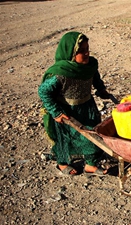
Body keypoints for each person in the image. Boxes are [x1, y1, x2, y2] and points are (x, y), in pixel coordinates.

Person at [38, 31, 111, 176]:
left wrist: (101, 89)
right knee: (65, 138)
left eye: (87, 49)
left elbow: (94, 76)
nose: (86, 53)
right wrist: (56, 112)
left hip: (87, 107)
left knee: (92, 134)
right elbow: (44, 92)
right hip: (66, 111)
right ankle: (63, 163)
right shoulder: (61, 73)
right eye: (81, 51)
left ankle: (90, 164)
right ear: (71, 53)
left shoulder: (89, 66)